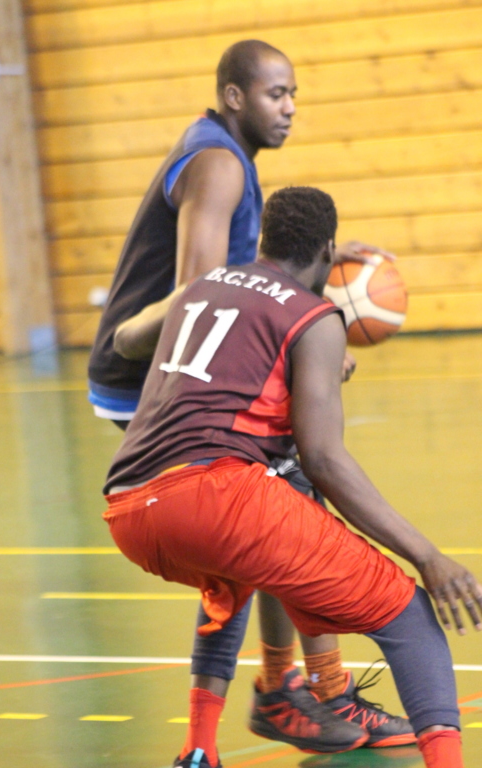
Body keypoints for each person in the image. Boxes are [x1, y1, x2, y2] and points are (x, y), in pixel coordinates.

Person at [88, 39, 413, 752]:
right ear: (234, 97)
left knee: (265, 515)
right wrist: (302, 344)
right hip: (149, 368)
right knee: (268, 505)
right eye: (275, 94)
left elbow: (238, 284)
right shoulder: (220, 165)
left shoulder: (227, 155)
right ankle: (305, 692)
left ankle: (288, 692)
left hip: (170, 358)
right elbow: (197, 290)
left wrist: (310, 275)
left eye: (294, 94)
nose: (289, 107)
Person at [104, 186, 482, 768]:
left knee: (237, 569)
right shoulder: (314, 317)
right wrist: (428, 557)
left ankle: (201, 748)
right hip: (213, 496)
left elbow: (125, 340)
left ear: (265, 240)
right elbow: (325, 461)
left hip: (130, 506)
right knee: (409, 614)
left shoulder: (203, 286)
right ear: (328, 251)